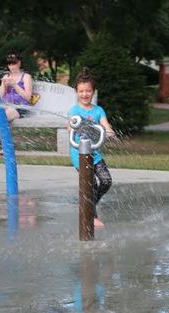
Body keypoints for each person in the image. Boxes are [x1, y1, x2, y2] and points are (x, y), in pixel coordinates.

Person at [67, 68, 116, 229]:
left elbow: (105, 125)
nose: (85, 94)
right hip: (79, 154)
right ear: (76, 92)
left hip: (95, 154)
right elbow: (69, 127)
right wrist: (80, 126)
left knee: (106, 181)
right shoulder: (74, 111)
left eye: (88, 91)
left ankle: (89, 205)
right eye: (81, 91)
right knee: (91, 184)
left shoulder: (98, 110)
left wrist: (109, 132)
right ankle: (92, 216)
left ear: (93, 91)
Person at [0, 53, 33, 122]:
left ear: (19, 63)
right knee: (0, 115)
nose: (11, 67)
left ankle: (2, 132)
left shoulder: (26, 77)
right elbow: (0, 97)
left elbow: (28, 97)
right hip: (6, 106)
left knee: (2, 118)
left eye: (13, 64)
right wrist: (4, 86)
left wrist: (15, 85)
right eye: (9, 64)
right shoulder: (6, 77)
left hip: (20, 107)